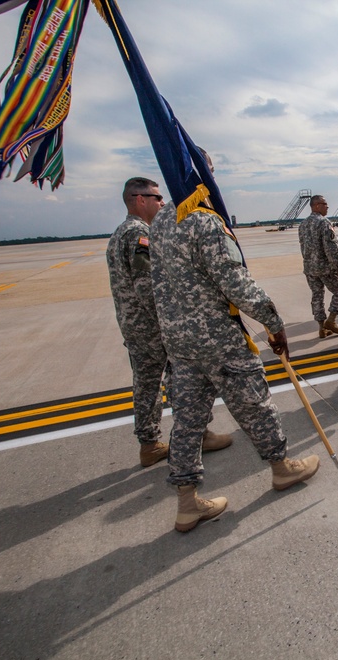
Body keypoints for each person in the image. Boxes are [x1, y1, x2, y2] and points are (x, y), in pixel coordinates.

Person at [150, 200, 319, 533]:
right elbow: (234, 281)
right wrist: (273, 322)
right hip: (217, 339)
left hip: (179, 341)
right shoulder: (204, 220)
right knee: (255, 407)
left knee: (187, 422)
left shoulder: (160, 222)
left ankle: (187, 504)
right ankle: (283, 468)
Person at [106, 177, 231, 468]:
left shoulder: (120, 233)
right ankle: (197, 434)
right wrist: (174, 320)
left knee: (146, 385)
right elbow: (148, 287)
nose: (163, 203)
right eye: (157, 198)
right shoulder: (139, 234)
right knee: (185, 381)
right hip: (152, 326)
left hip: (135, 325)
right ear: (139, 200)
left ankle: (149, 444)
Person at [298, 195, 338, 338]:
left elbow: (303, 248)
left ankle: (321, 328)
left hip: (309, 268)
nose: (327, 207)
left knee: (317, 296)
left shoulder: (303, 225)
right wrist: (337, 268)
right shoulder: (324, 223)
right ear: (316, 206)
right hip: (325, 268)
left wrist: (308, 262)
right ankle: (331, 321)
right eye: (325, 204)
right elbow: (331, 249)